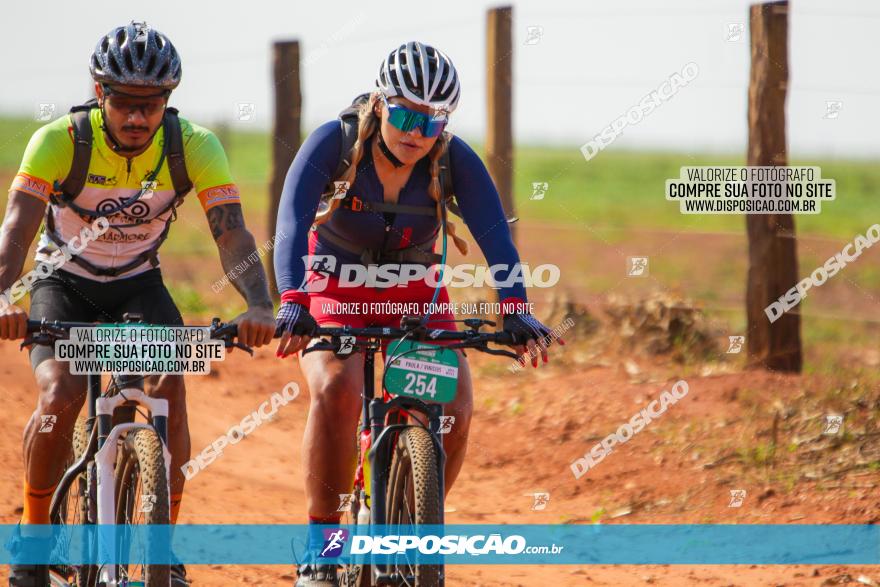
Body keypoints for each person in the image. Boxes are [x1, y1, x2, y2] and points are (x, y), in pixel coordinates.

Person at [273, 41, 560, 586]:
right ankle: (323, 545)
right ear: (381, 103)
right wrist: (293, 299)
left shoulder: (453, 159)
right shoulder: (332, 143)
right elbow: (289, 223)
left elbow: (496, 237)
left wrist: (518, 309)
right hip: (334, 284)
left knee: (455, 403)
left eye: (432, 122)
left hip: (414, 293)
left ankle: (410, 516)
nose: (415, 132)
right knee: (337, 388)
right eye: (405, 114)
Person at [0, 22, 276, 586]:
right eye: (123, 103)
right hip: (63, 284)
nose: (135, 118)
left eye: (150, 105)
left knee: (168, 385)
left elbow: (232, 235)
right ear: (99, 94)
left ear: (167, 102)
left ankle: (163, 549)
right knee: (61, 391)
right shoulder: (60, 140)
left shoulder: (193, 145)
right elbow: (16, 230)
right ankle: (32, 546)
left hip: (136, 287)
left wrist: (259, 305)